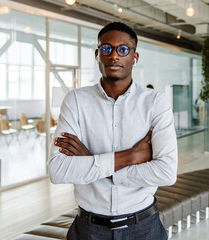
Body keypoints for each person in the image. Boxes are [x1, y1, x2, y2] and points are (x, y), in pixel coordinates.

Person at [48, 22, 178, 240]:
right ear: (98, 54)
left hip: (143, 227)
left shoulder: (155, 102)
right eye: (107, 49)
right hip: (89, 229)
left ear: (134, 57)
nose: (114, 56)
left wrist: (92, 160)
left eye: (123, 49)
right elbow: (58, 171)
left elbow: (166, 172)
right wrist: (130, 157)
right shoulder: (76, 101)